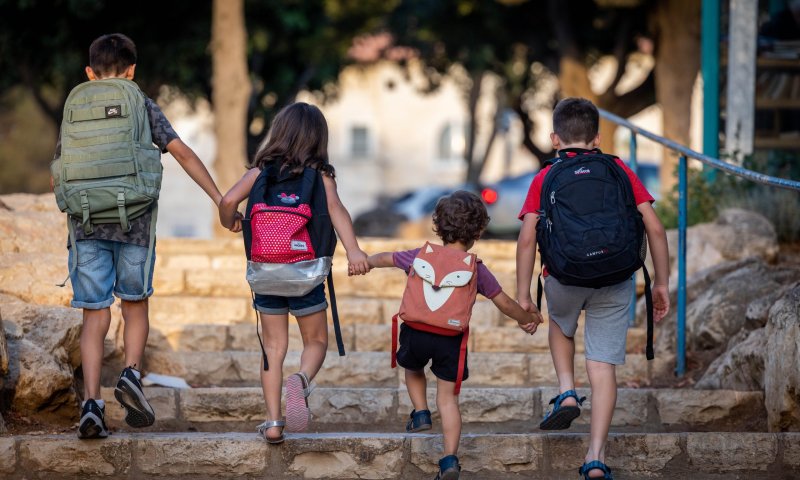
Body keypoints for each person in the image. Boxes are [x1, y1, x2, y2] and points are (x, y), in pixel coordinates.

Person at [53, 34, 227, 439]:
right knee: (134, 303)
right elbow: (180, 151)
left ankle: (92, 402)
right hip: (134, 222)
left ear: (89, 72)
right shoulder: (141, 102)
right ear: (132, 70)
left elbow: (58, 170)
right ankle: (131, 373)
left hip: (86, 223)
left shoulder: (77, 105)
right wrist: (219, 197)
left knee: (94, 314)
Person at [515, 97, 670, 479]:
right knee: (602, 368)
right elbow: (654, 226)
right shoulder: (618, 169)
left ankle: (567, 389)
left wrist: (521, 296)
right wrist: (662, 282)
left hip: (564, 276)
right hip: (616, 277)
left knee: (560, 325)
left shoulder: (545, 176)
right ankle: (595, 457)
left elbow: (525, 239)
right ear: (597, 138)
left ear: (555, 139)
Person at [218, 102, 370, 443]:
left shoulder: (259, 173)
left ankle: (273, 423)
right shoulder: (321, 177)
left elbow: (228, 202)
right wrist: (355, 251)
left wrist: (231, 222)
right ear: (318, 139)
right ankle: (300, 380)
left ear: (279, 132)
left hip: (265, 272)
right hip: (305, 273)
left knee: (273, 347)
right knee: (315, 341)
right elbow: (337, 212)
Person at [367, 191, 542, 480]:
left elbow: (387, 257)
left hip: (416, 330)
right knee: (448, 400)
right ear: (479, 231)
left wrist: (366, 262)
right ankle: (449, 460)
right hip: (450, 338)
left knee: (412, 369)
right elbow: (504, 302)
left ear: (438, 226)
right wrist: (526, 319)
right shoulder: (476, 268)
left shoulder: (420, 255)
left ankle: (421, 412)